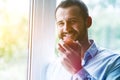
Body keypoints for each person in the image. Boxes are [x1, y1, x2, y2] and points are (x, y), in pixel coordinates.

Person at [45, 0, 120, 80]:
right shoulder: (53, 68)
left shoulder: (114, 62)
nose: (66, 29)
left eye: (73, 21)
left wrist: (78, 70)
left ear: (88, 22)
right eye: (61, 23)